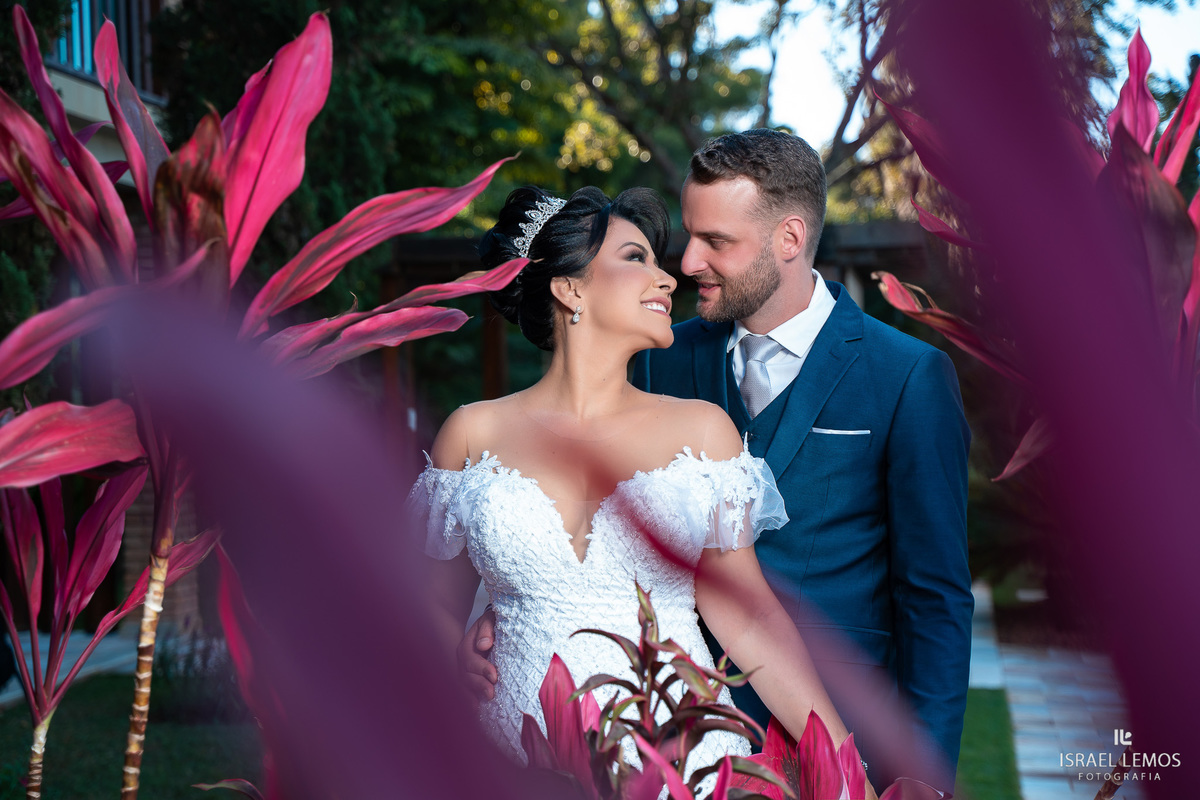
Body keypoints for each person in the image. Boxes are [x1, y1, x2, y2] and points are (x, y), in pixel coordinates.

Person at [463, 131, 974, 793]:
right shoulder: (654, 355)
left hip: (833, 733)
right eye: (688, 236)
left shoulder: (907, 376)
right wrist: (482, 619)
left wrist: (920, 778)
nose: (689, 261)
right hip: (655, 725)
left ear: (787, 240)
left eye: (716, 241)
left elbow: (934, 600)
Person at [409, 185, 866, 792]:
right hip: (505, 757)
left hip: (676, 755)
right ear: (569, 287)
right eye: (635, 258)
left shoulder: (704, 433)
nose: (668, 278)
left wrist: (842, 768)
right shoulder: (472, 433)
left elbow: (749, 617)